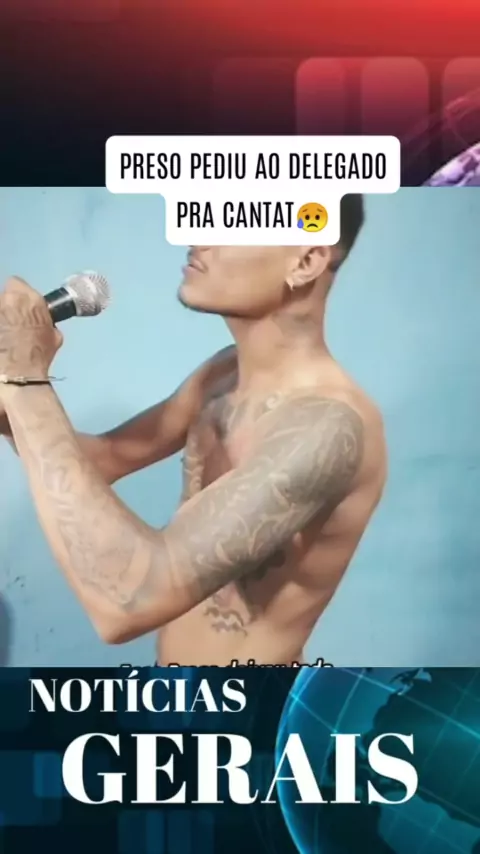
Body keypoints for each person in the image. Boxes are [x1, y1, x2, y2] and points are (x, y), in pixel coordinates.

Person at [0, 195, 387, 666]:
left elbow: (127, 601)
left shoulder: (325, 426)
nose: (197, 237)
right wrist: (10, 405)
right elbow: (103, 459)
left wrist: (25, 382)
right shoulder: (224, 373)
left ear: (305, 261)